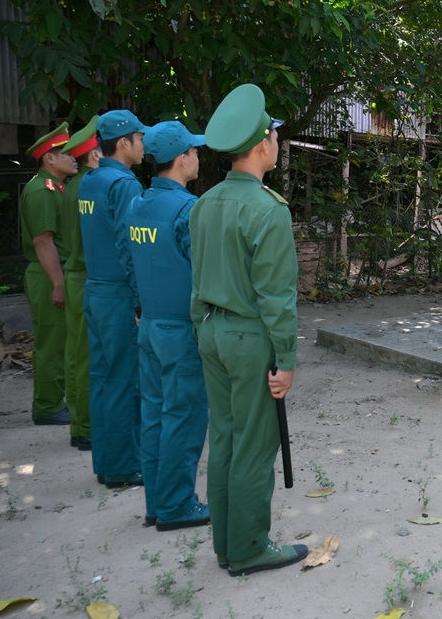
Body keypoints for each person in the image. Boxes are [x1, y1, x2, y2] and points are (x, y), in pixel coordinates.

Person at [190, 83, 306, 576]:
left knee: (226, 439)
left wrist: (203, 329)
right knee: (256, 445)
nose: (277, 142)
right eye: (275, 136)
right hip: (250, 339)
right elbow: (276, 297)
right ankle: (249, 548)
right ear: (262, 145)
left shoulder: (205, 203)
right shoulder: (268, 209)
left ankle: (226, 546)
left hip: (212, 332)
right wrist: (286, 360)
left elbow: (197, 281)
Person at [126, 121, 210, 531]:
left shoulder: (137, 203)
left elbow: (129, 262)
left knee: (155, 414)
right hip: (180, 330)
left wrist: (140, 306)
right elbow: (203, 273)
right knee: (184, 415)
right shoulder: (188, 209)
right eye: (193, 151)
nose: (197, 157)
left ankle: (157, 503)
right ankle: (177, 505)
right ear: (181, 159)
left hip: (149, 325)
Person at [78, 110, 147, 488]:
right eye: (139, 138)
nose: (143, 145)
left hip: (96, 290)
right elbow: (128, 246)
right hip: (119, 293)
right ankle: (123, 466)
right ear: (123, 143)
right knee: (124, 381)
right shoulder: (124, 185)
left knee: (103, 377)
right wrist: (140, 299)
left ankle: (105, 463)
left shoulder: (90, 180)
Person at [20, 121, 77, 428]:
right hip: (48, 273)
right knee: (52, 341)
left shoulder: (56, 187)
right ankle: (47, 406)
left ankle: (55, 401)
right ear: (49, 159)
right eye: (65, 153)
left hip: (53, 271)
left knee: (62, 339)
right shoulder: (42, 191)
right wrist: (57, 283)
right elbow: (43, 241)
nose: (73, 157)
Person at [59, 116, 101, 451]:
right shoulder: (94, 185)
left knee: (76, 353)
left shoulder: (71, 187)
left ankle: (78, 423)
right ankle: (87, 426)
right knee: (89, 355)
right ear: (96, 154)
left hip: (74, 274)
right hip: (88, 276)